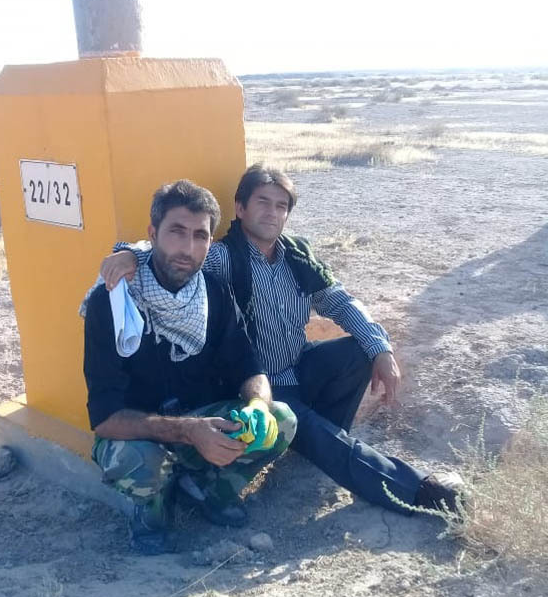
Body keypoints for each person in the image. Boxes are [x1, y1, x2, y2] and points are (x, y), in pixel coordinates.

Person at [99, 165, 464, 517]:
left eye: (281, 205)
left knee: (359, 352)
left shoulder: (299, 257)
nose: (272, 213)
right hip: (262, 386)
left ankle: (320, 438)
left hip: (299, 364)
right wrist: (130, 254)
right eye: (262, 202)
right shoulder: (224, 258)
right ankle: (418, 491)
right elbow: (179, 256)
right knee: (324, 438)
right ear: (240, 208)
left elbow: (339, 301)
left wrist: (380, 348)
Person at [81, 179, 297, 555]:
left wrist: (258, 406)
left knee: (283, 420)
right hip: (138, 434)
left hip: (202, 421)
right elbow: (105, 418)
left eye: (200, 236)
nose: (188, 248)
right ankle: (152, 512)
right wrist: (188, 431)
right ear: (152, 234)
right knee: (140, 461)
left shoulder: (213, 291)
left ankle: (211, 492)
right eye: (176, 232)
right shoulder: (113, 302)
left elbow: (249, 367)